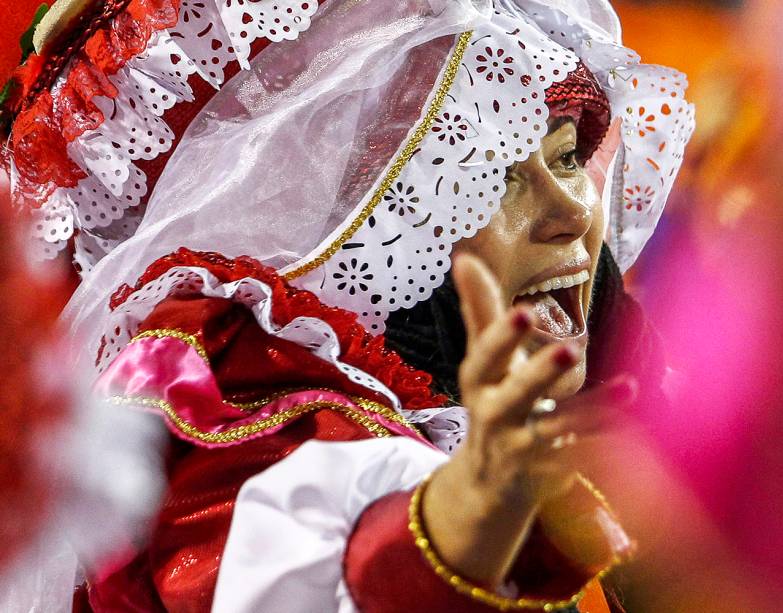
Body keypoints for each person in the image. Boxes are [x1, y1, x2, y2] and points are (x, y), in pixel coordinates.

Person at [3, 0, 693, 610]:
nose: (572, 213)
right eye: (497, 176)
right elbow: (265, 560)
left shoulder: (646, 413)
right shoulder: (231, 409)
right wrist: (455, 525)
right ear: (361, 234)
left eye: (570, 158)